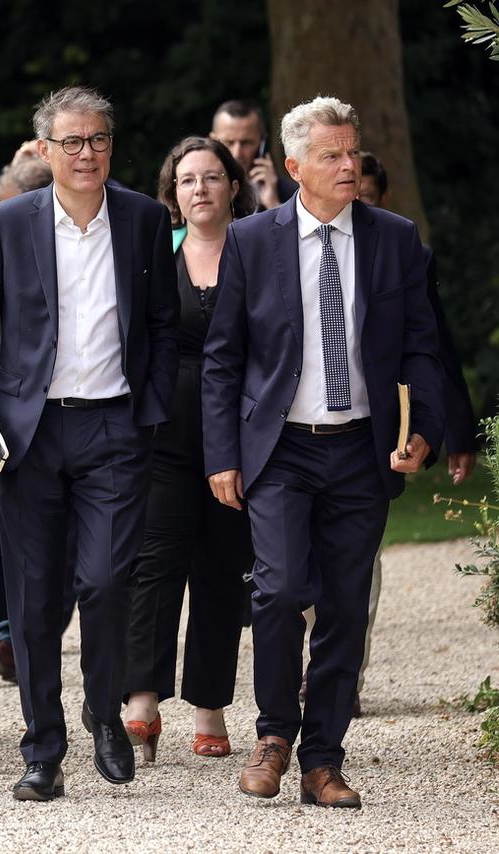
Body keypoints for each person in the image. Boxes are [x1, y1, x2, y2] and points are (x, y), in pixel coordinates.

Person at [203, 97, 443, 809]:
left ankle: (323, 760)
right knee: (277, 592)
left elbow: (421, 345)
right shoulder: (252, 240)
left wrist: (421, 428)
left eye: (352, 152)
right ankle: (274, 734)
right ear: (295, 166)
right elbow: (222, 358)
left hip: (362, 451)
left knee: (343, 605)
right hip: (281, 450)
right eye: (332, 155)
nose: (349, 165)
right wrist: (223, 452)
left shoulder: (394, 239)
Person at [0, 85, 180, 801]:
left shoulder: (142, 217)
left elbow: (165, 322)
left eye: (98, 140)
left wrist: (155, 403)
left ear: (112, 145)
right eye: (71, 142)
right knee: (36, 596)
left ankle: (103, 711)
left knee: (106, 578)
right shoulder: (10, 221)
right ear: (44, 150)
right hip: (31, 431)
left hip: (115, 425)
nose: (86, 153)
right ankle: (42, 747)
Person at [299, 150, 480, 718]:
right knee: (290, 574)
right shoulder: (272, 242)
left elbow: (431, 346)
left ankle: (339, 678)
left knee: (356, 570)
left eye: (366, 190)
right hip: (293, 439)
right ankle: (306, 672)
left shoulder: (403, 249)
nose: (353, 191)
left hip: (367, 437)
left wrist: (448, 428)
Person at [121, 137, 258, 763]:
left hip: (240, 433)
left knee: (223, 571)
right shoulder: (158, 252)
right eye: (186, 180)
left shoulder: (260, 251)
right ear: (171, 194)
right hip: (163, 434)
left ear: (233, 186)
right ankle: (142, 700)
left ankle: (209, 704)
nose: (199, 188)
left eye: (211, 177)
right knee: (154, 566)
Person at [210, 99, 298, 211]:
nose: (237, 153)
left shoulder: (291, 193)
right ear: (213, 142)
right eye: (229, 143)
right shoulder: (197, 189)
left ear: (262, 143)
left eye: (246, 143)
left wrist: (273, 204)